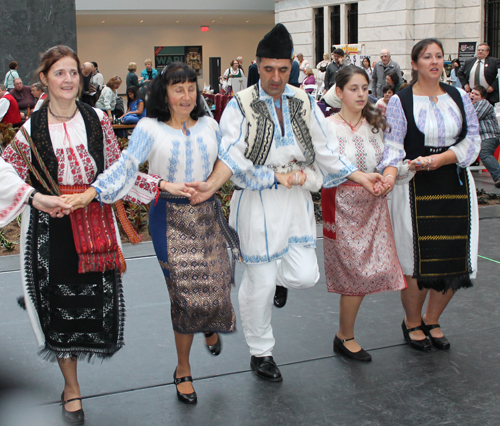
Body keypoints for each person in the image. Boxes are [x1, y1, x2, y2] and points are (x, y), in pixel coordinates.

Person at [186, 24, 385, 382]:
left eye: (283, 69)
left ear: (291, 67)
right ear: (257, 66)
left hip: (295, 199)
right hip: (259, 200)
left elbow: (325, 151)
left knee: (305, 275)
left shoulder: (304, 100)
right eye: (268, 69)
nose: (276, 77)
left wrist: (360, 176)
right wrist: (220, 185)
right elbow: (231, 156)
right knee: (259, 282)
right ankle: (261, 352)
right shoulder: (239, 104)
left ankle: (273, 279)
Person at [67, 62, 238, 405]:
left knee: (215, 286)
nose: (186, 96)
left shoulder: (209, 125)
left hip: (207, 214)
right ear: (165, 92)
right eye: (178, 89)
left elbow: (231, 158)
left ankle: (206, 323)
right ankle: (183, 368)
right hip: (168, 216)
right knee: (184, 294)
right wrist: (92, 192)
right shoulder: (149, 128)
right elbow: (126, 167)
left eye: (191, 88)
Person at [1, 45, 140, 425]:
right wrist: (36, 197)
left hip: (93, 220)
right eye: (59, 73)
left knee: (91, 303)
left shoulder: (98, 119)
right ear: (44, 79)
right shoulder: (32, 128)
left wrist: (98, 192)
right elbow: (4, 170)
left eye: (73, 73)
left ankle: (69, 358)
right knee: (57, 308)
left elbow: (117, 168)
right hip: (50, 227)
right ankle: (72, 386)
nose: (68, 80)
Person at [380, 38, 480, 352]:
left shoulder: (459, 96)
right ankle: (412, 322)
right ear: (415, 63)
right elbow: (392, 148)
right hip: (414, 186)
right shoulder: (401, 100)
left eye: (438, 56)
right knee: (416, 263)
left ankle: (433, 318)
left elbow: (473, 138)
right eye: (427, 57)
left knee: (453, 258)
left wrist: (440, 159)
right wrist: (396, 171)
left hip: (455, 184)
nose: (434, 62)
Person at [323, 66, 406, 362]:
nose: (361, 94)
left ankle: (345, 334)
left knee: (371, 270)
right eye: (354, 88)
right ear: (339, 91)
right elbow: (325, 167)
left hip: (374, 204)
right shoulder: (327, 126)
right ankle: (345, 336)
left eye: (364, 88)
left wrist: (388, 175)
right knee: (354, 272)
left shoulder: (376, 124)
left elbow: (390, 158)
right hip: (343, 205)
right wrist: (361, 178)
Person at [470, 84, 500, 187]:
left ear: (482, 97)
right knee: (485, 154)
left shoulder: (483, 103)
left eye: (476, 94)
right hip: (481, 137)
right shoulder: (471, 105)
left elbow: (474, 118)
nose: (472, 95)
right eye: (472, 92)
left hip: (490, 135)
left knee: (485, 153)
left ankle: (498, 175)